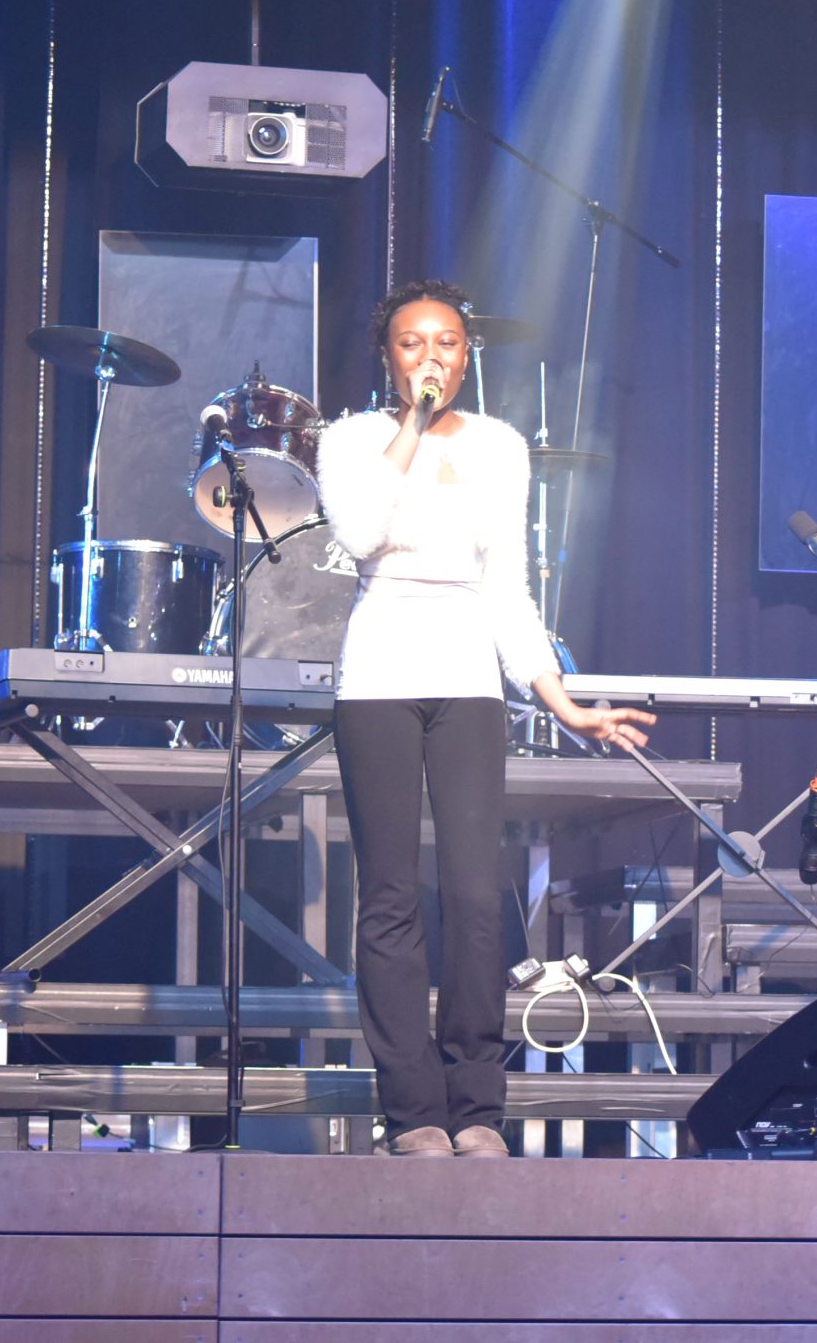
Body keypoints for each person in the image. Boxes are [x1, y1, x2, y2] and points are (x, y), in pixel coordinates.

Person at [316, 278, 657, 1157]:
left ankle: (476, 1107)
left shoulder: (501, 446)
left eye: (447, 343)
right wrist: (411, 426)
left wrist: (562, 701)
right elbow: (358, 534)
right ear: (386, 356)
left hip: (468, 675)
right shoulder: (352, 439)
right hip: (378, 672)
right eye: (412, 343)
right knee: (390, 897)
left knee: (474, 894)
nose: (430, 357)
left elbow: (509, 586)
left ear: (467, 357)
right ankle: (411, 1112)